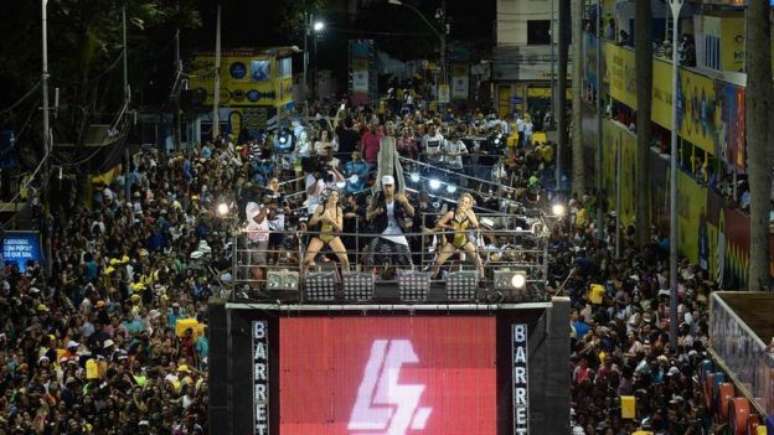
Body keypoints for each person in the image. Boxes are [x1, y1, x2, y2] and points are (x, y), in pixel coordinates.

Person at [430, 192, 485, 277]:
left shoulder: (470, 213)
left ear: (469, 204)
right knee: (438, 261)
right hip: (453, 242)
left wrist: (466, 213)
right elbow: (439, 224)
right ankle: (433, 276)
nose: (464, 203)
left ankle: (482, 278)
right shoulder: (452, 213)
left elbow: (476, 225)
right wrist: (450, 226)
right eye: (462, 201)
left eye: (466, 202)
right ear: (459, 202)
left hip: (465, 241)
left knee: (478, 260)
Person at [366, 175, 415, 269]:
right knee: (370, 258)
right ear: (382, 186)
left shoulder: (400, 197)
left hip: (398, 233)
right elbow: (368, 216)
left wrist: (405, 203)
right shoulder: (377, 198)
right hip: (380, 232)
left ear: (394, 186)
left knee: (406, 261)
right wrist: (376, 212)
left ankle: (407, 278)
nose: (388, 189)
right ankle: (370, 279)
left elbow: (412, 213)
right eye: (386, 186)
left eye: (390, 186)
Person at [304, 189, 350, 272]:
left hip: (332, 236)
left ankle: (347, 279)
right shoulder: (321, 207)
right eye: (332, 195)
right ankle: (302, 279)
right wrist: (321, 217)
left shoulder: (338, 209)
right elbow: (311, 223)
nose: (334, 197)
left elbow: (340, 228)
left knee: (344, 259)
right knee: (307, 260)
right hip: (320, 236)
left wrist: (330, 220)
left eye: (336, 196)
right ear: (328, 197)